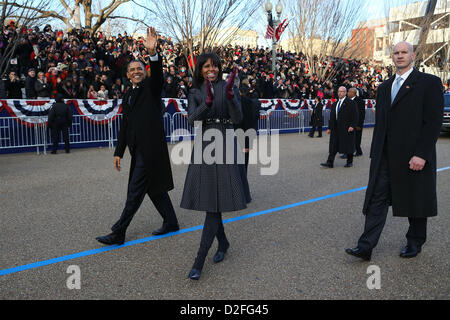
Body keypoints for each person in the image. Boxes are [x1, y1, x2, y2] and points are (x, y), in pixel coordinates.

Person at [345, 41, 444, 260]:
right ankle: (365, 247)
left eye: (404, 52)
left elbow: (433, 122)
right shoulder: (384, 87)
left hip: (413, 154)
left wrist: (422, 154)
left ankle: (415, 241)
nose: (399, 56)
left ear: (413, 55)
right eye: (396, 53)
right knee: (377, 199)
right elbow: (382, 123)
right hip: (385, 155)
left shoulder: (429, 83)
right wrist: (375, 152)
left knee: (415, 199)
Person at [96, 27, 179, 246]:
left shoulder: (151, 88)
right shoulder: (127, 94)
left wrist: (153, 54)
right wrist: (118, 152)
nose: (136, 71)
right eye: (132, 69)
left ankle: (119, 232)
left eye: (139, 68)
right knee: (154, 189)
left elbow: (158, 76)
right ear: (127, 74)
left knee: (134, 191)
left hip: (151, 150)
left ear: (145, 71)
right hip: (137, 149)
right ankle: (171, 222)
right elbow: (126, 125)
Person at [180, 53, 251, 280]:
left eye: (215, 66)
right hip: (205, 143)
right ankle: (224, 243)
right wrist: (207, 103)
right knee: (213, 200)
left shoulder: (228, 86)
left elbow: (238, 118)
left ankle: (199, 261)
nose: (212, 69)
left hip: (226, 141)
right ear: (200, 69)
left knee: (213, 204)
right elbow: (191, 119)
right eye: (207, 66)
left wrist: (230, 96)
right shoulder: (195, 91)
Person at [320, 86, 358, 168]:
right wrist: (329, 127)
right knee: (333, 145)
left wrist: (352, 125)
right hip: (336, 128)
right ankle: (330, 162)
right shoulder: (335, 104)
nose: (339, 93)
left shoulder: (351, 103)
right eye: (339, 91)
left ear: (345, 93)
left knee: (348, 144)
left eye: (341, 91)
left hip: (347, 127)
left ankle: (349, 161)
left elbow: (355, 115)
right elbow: (332, 117)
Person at [348, 87, 365, 156]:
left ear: (353, 93)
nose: (348, 93)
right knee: (350, 138)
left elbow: (362, 114)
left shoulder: (360, 101)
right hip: (349, 123)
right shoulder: (347, 100)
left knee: (357, 138)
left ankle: (358, 151)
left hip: (357, 123)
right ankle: (350, 151)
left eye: (349, 92)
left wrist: (359, 125)